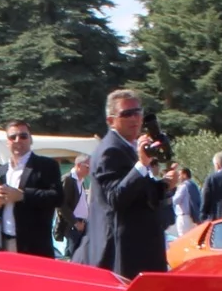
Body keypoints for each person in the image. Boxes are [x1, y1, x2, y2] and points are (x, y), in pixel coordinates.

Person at [74, 89, 176, 278]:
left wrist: (165, 185)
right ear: (111, 120)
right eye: (126, 113)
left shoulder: (130, 147)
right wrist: (141, 164)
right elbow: (116, 198)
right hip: (123, 255)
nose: (134, 118)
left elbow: (139, 194)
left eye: (138, 112)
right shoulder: (110, 150)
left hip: (141, 250)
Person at [0, 119, 62, 257]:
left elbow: (57, 197)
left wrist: (23, 195)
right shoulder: (1, 170)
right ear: (7, 142)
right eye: (13, 137)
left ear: (31, 140)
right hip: (6, 244)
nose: (18, 140)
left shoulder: (46, 165)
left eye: (23, 136)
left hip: (35, 246)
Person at [172, 167, 202, 234]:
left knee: (183, 239)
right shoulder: (194, 185)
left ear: (185, 175)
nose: (179, 177)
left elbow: (176, 200)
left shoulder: (183, 186)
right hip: (193, 217)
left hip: (184, 218)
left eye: (180, 175)